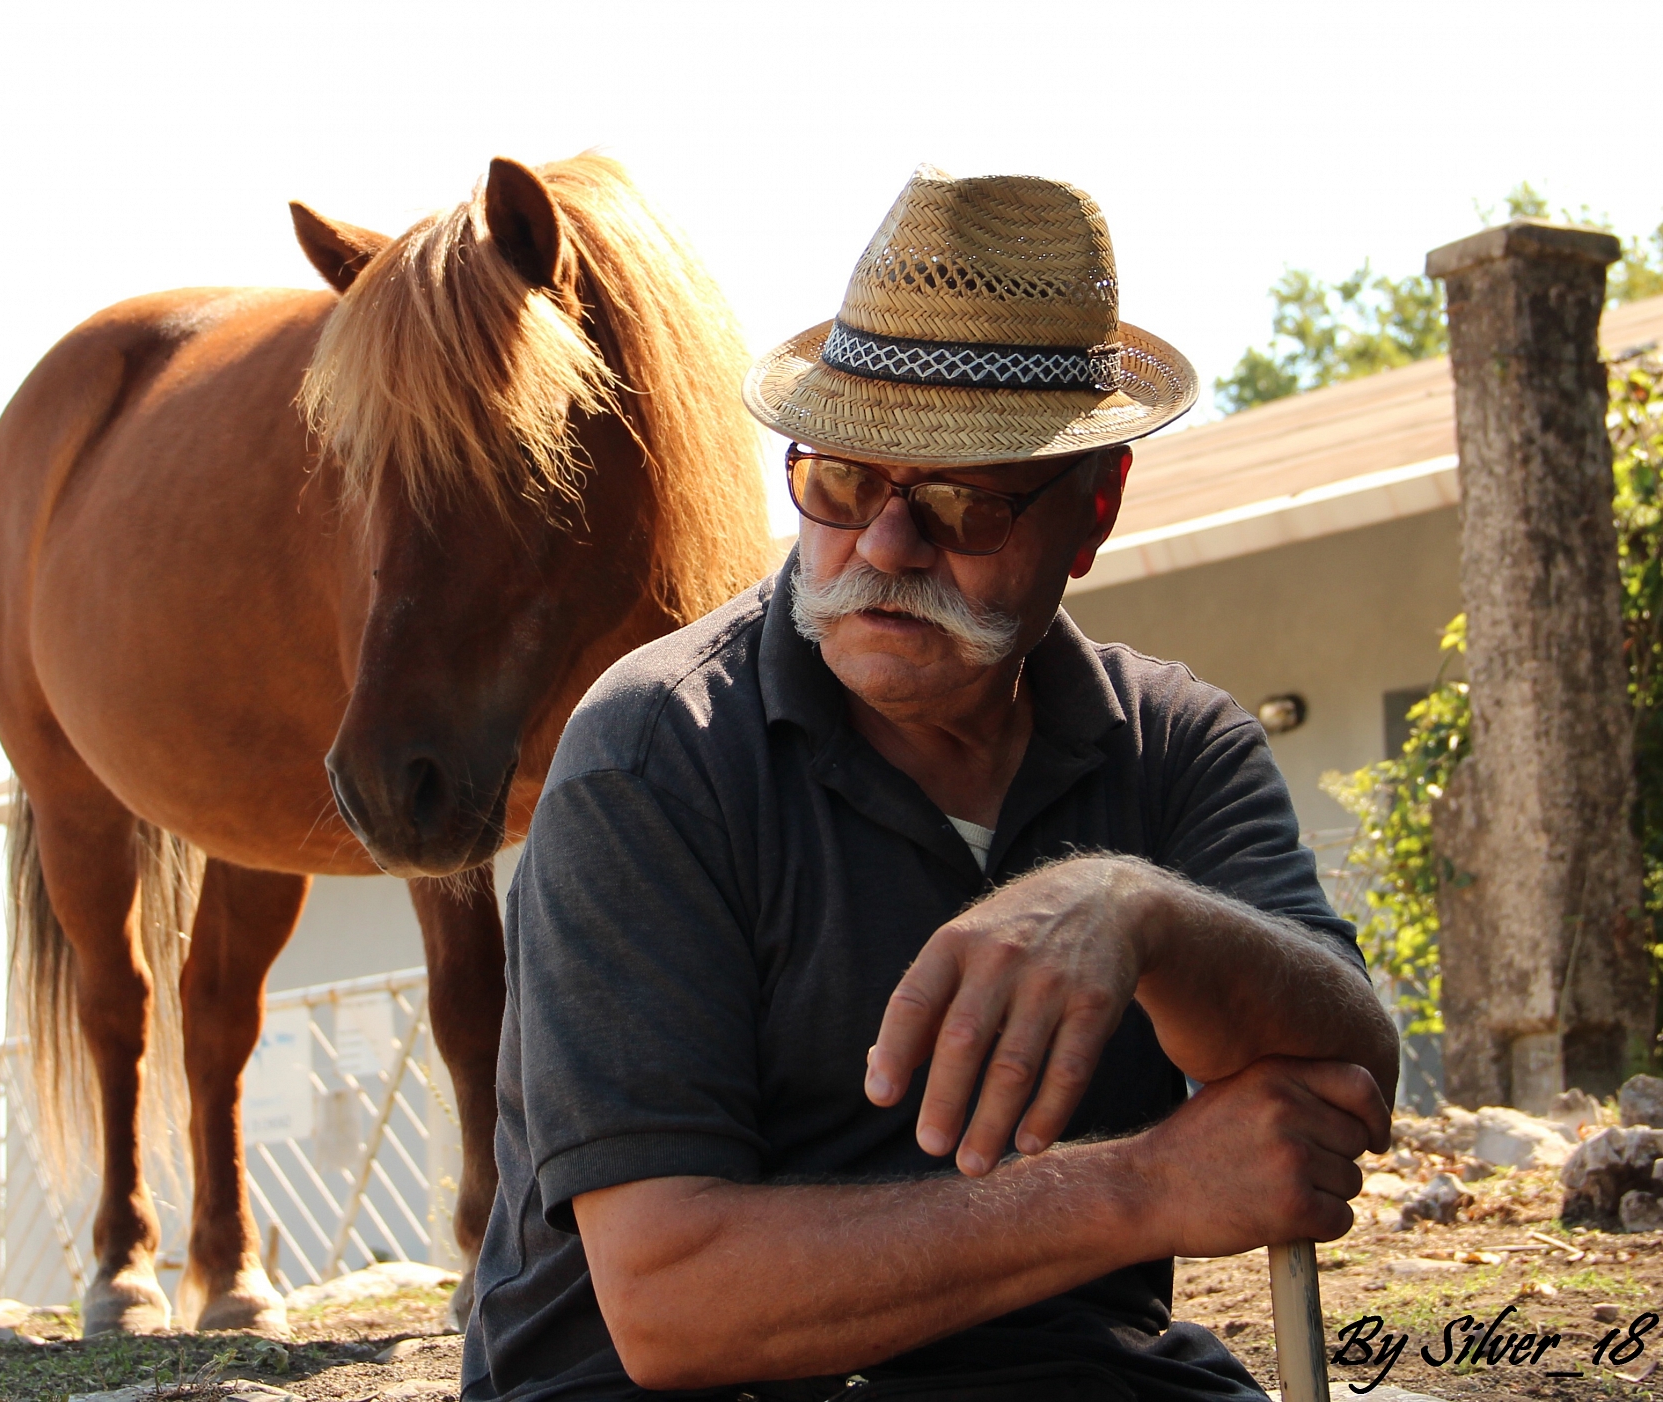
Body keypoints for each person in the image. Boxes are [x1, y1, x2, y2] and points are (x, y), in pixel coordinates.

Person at [461, 167, 1398, 1402]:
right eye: (841, 485)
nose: (884, 549)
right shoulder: (653, 751)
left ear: (1094, 509)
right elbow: (675, 1305)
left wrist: (1143, 911)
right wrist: (1146, 1186)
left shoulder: (1179, 745)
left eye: (960, 502)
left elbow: (1351, 1062)